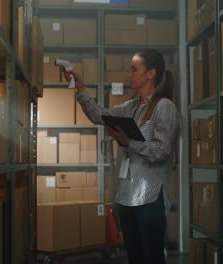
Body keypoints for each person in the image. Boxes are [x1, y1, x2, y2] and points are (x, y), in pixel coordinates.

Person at [64, 49, 178, 264]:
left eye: (134, 69)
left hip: (150, 198)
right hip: (126, 196)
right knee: (134, 258)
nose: (129, 74)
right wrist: (80, 88)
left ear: (150, 74)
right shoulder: (131, 107)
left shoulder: (164, 107)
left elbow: (162, 152)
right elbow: (99, 114)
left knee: (151, 258)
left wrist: (128, 142)